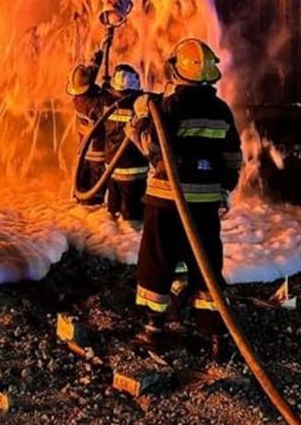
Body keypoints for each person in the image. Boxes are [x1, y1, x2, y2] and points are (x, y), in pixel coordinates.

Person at [128, 38, 243, 360]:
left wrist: (137, 119)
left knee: (157, 262)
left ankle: (153, 331)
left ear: (177, 69)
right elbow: (233, 156)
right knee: (205, 266)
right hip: (204, 205)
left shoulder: (168, 106)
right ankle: (217, 336)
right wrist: (224, 188)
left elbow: (153, 149)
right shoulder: (221, 110)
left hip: (166, 201)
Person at [103, 63, 148, 221]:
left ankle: (108, 241)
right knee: (133, 219)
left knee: (113, 214)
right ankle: (127, 242)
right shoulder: (141, 106)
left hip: (112, 170)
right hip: (133, 174)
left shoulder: (106, 103)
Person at [68, 49, 107, 205]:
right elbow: (107, 107)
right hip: (95, 154)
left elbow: (90, 74)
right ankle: (95, 224)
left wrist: (98, 57)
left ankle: (82, 219)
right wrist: (109, 89)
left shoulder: (78, 96)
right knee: (93, 197)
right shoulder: (91, 103)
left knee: (81, 189)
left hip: (83, 151)